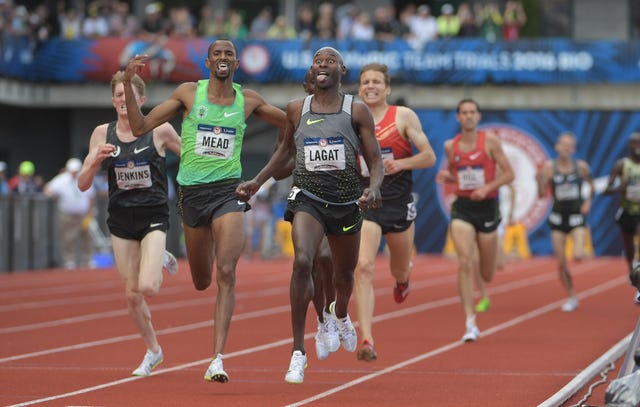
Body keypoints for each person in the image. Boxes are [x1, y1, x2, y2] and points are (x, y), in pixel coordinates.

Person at [122, 38, 287, 383]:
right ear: (209, 63)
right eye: (217, 54)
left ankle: (217, 359)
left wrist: (274, 167)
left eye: (229, 54)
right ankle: (173, 258)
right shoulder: (187, 94)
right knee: (202, 280)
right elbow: (140, 128)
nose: (223, 58)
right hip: (192, 195)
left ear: (236, 63)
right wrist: (126, 82)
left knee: (226, 271)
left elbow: (293, 124)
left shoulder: (249, 100)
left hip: (229, 192)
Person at [236, 47, 383, 384]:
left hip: (346, 202)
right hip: (308, 197)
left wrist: (373, 188)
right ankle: (297, 352)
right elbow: (284, 153)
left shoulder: (356, 111)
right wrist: (256, 182)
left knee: (343, 275)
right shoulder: (295, 109)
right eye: (317, 61)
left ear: (342, 70)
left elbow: (375, 160)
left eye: (329, 61)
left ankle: (341, 314)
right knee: (304, 261)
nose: (322, 65)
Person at [77, 70, 181, 377]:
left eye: (131, 95)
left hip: (153, 215)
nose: (125, 100)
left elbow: (189, 157)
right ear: (113, 101)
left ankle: (159, 256)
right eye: (120, 95)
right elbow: (82, 183)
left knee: (147, 285)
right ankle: (154, 351)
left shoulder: (159, 130)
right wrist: (96, 160)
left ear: (142, 100)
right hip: (120, 219)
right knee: (131, 294)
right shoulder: (101, 133)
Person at [353, 62, 436, 362]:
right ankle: (367, 338)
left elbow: (428, 156)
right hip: (367, 203)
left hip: (398, 206)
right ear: (360, 87)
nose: (370, 86)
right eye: (365, 82)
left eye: (376, 81)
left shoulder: (402, 116)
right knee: (363, 266)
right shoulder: (352, 118)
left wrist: (400, 164)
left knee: (399, 269)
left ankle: (403, 280)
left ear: (387, 88)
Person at [435, 98, 514, 342]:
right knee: (464, 261)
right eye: (464, 113)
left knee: (487, 273)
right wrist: (448, 177)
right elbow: (457, 174)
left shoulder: (489, 142)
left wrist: (488, 186)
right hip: (463, 209)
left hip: (488, 208)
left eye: (472, 112)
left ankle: (483, 282)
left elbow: (509, 174)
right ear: (458, 118)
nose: (468, 116)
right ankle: (470, 322)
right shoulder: (451, 146)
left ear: (478, 116)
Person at [536, 132, 594, 312]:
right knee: (561, 263)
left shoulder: (581, 167)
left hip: (576, 216)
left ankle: (580, 249)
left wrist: (588, 202)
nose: (566, 148)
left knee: (577, 254)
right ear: (557, 147)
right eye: (563, 144)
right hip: (558, 217)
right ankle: (571, 295)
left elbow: (591, 185)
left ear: (574, 149)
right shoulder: (549, 167)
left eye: (570, 145)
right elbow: (540, 194)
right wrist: (539, 181)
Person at [604, 132, 640, 302]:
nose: (637, 146)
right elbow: (606, 190)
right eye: (634, 143)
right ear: (630, 145)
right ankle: (633, 274)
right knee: (629, 250)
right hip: (626, 211)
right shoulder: (621, 165)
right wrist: (620, 188)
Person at [44, 158, 96, 269]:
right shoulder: (61, 179)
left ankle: (87, 260)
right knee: (68, 238)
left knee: (87, 237)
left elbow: (91, 196)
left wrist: (90, 211)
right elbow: (48, 189)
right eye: (73, 171)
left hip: (83, 214)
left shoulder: (85, 177)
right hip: (67, 214)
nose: (74, 173)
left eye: (76, 170)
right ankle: (69, 261)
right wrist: (52, 196)